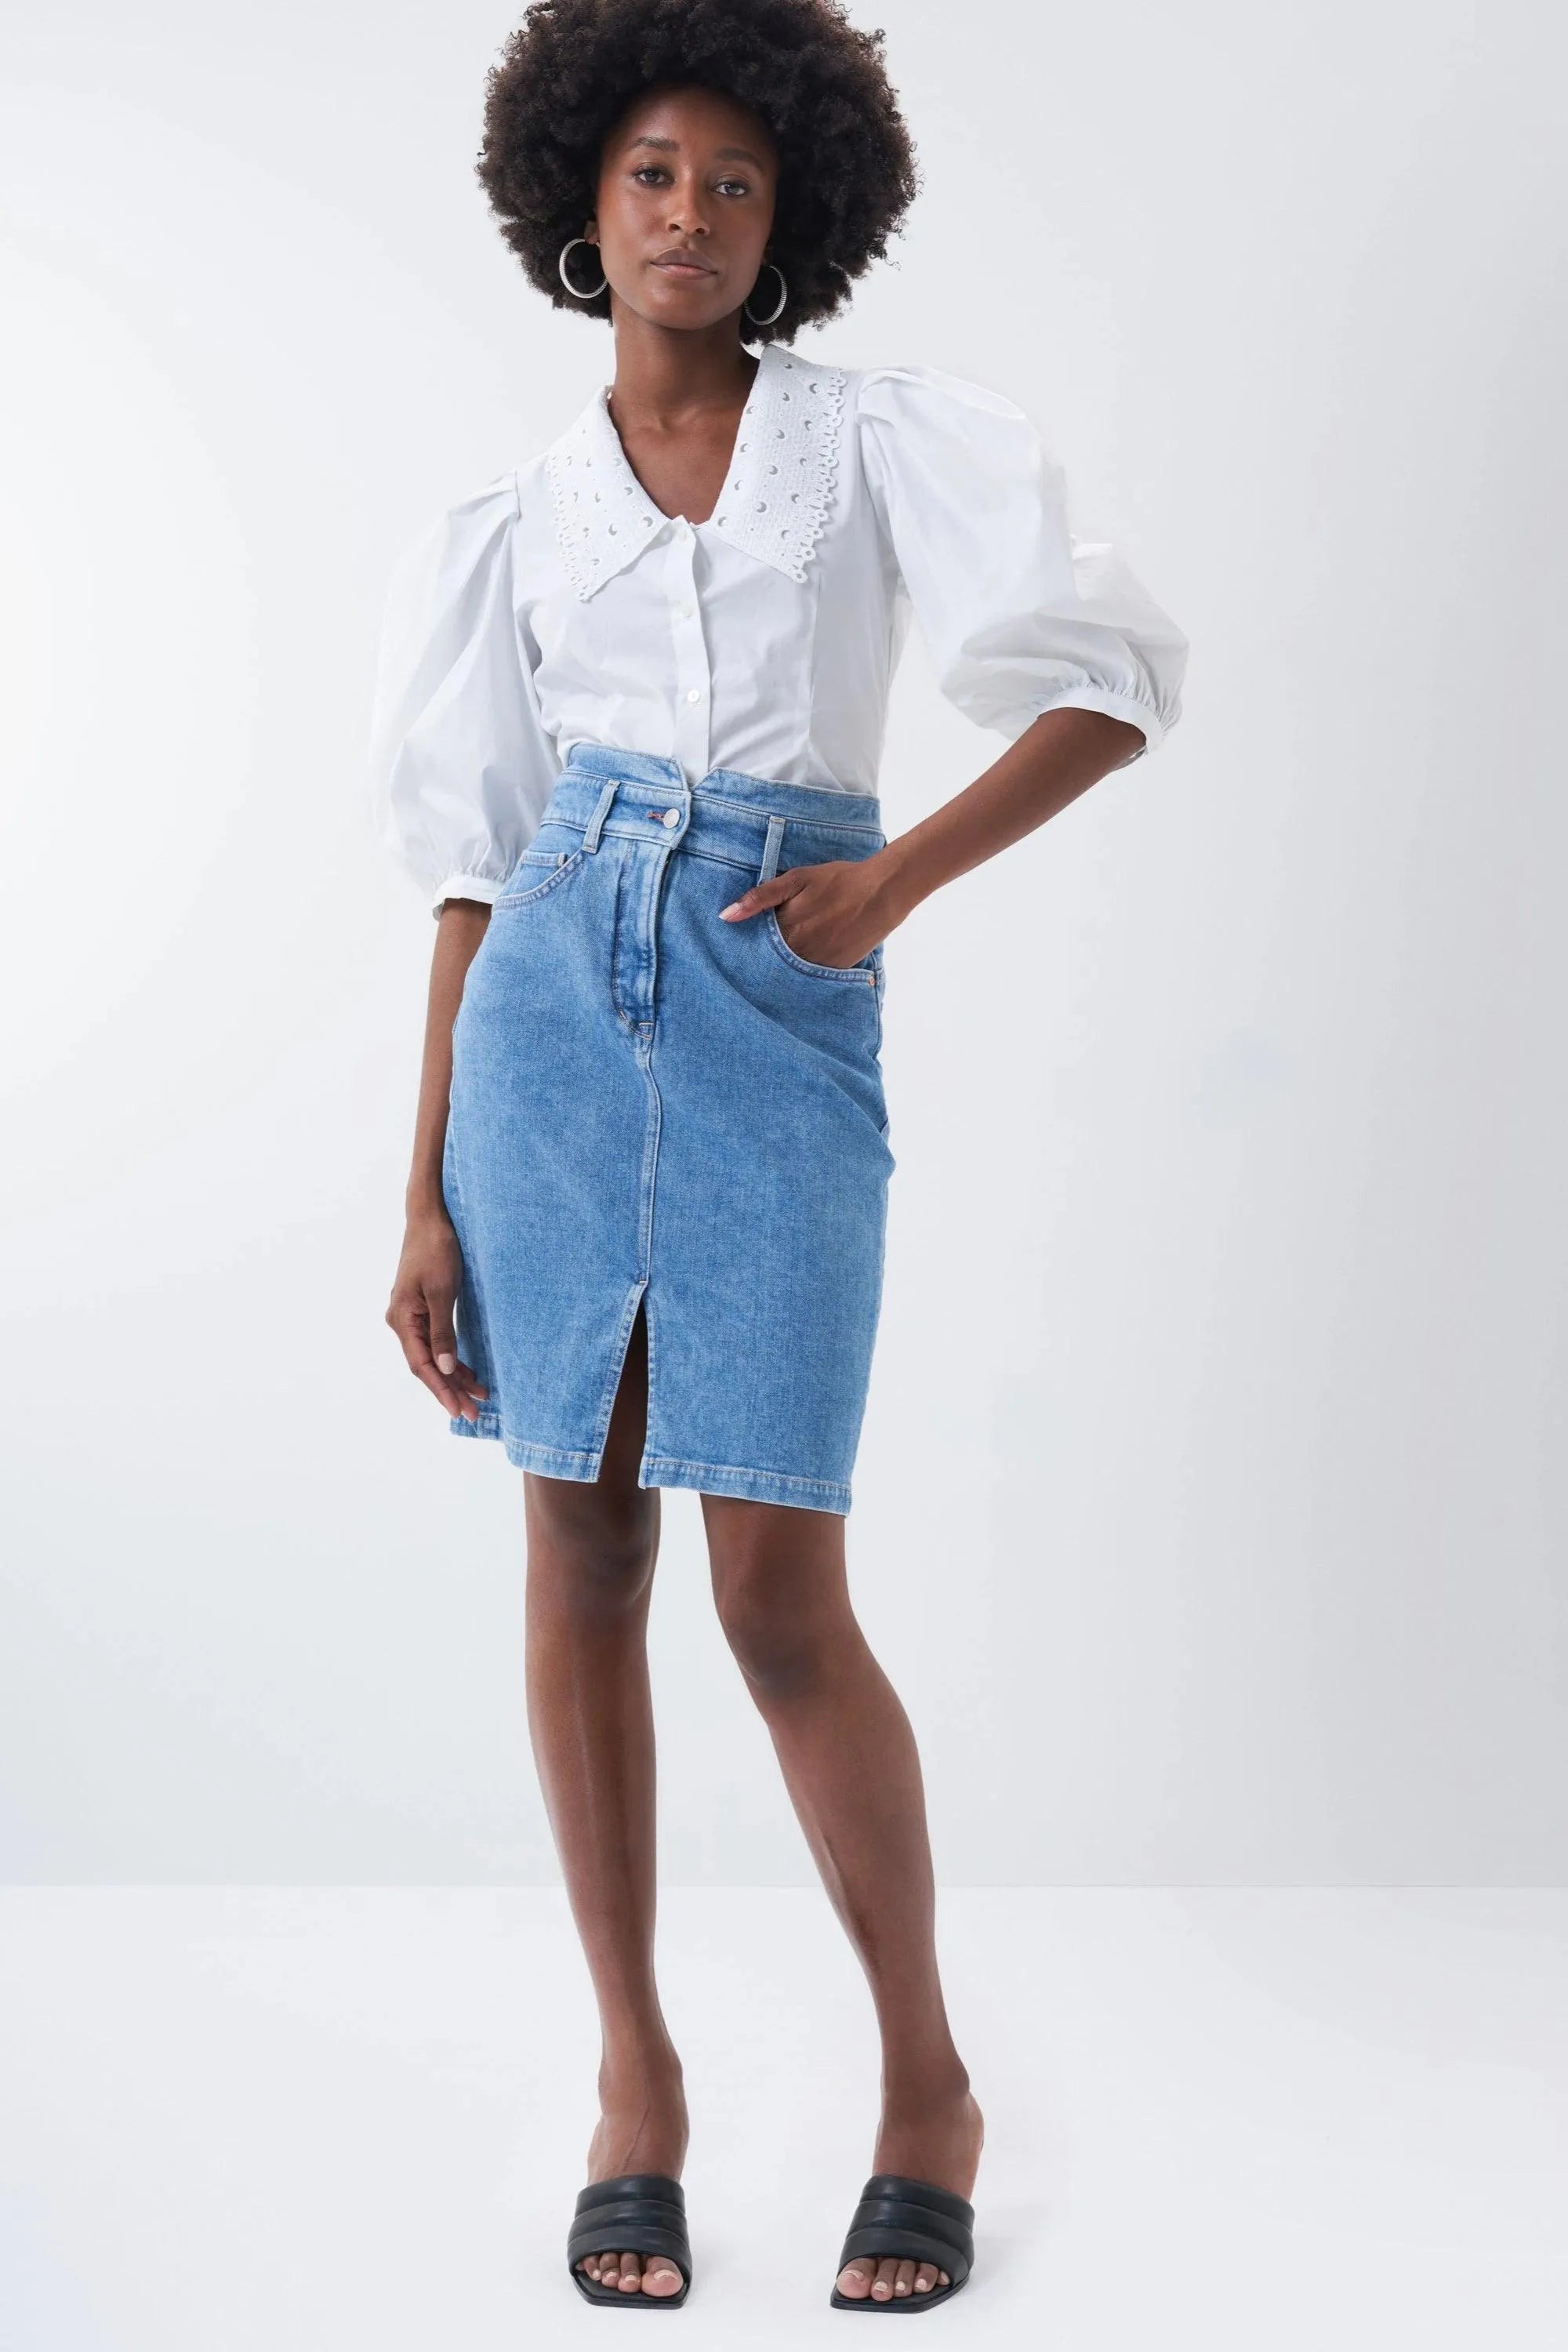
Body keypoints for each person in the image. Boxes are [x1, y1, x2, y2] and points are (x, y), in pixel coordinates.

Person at [366, 0, 1186, 2313]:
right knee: (580, 1546)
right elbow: (472, 872)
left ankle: (928, 2085)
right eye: (652, 171)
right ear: (579, 193)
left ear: (794, 210)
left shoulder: (877, 445)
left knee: (776, 1592)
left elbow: (1112, 681)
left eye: (735, 180)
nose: (691, 214)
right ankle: (635, 2084)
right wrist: (420, 1190)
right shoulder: (514, 522)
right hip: (549, 1012)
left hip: (774, 990)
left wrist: (892, 881)